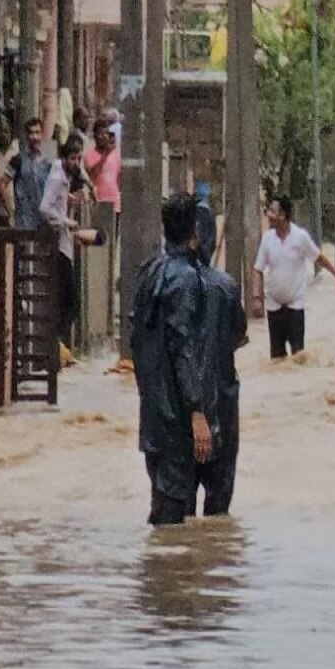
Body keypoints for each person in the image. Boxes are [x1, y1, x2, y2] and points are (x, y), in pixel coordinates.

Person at [130, 194, 213, 526]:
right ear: (193, 233)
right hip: (174, 416)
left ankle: (159, 571)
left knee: (163, 507)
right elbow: (184, 348)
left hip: (151, 410)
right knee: (171, 515)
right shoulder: (186, 279)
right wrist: (196, 410)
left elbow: (137, 340)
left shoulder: (149, 272)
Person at [191, 196, 249, 517]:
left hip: (178, 417)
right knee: (219, 512)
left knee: (178, 519)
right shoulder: (225, 288)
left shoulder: (161, 281)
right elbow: (238, 336)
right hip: (222, 414)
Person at [251, 195, 335, 359]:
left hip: (295, 305)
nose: (269, 215)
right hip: (273, 305)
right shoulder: (267, 239)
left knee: (298, 358)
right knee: (277, 360)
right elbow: (258, 269)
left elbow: (318, 257)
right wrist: (257, 297)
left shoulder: (300, 237)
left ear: (283, 215)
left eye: (273, 211)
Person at [39, 137, 85, 349]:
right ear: (65, 158)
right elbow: (45, 208)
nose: (76, 163)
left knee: (65, 300)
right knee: (71, 301)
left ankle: (57, 344)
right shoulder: (58, 177)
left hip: (63, 243)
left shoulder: (64, 174)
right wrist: (66, 221)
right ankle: (55, 343)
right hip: (58, 245)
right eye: (73, 158)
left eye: (78, 158)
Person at [6, 117, 51, 230]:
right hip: (23, 221)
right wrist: (9, 208)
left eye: (37, 133)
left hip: (44, 220)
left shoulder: (49, 161)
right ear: (26, 135)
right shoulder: (17, 159)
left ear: (42, 134)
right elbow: (2, 182)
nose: (34, 137)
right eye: (31, 133)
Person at [85, 117, 122, 216]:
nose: (104, 137)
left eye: (106, 133)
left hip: (115, 203)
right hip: (99, 202)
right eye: (101, 133)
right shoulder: (90, 155)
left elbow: (119, 178)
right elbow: (93, 174)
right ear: (95, 135)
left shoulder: (115, 155)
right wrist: (104, 156)